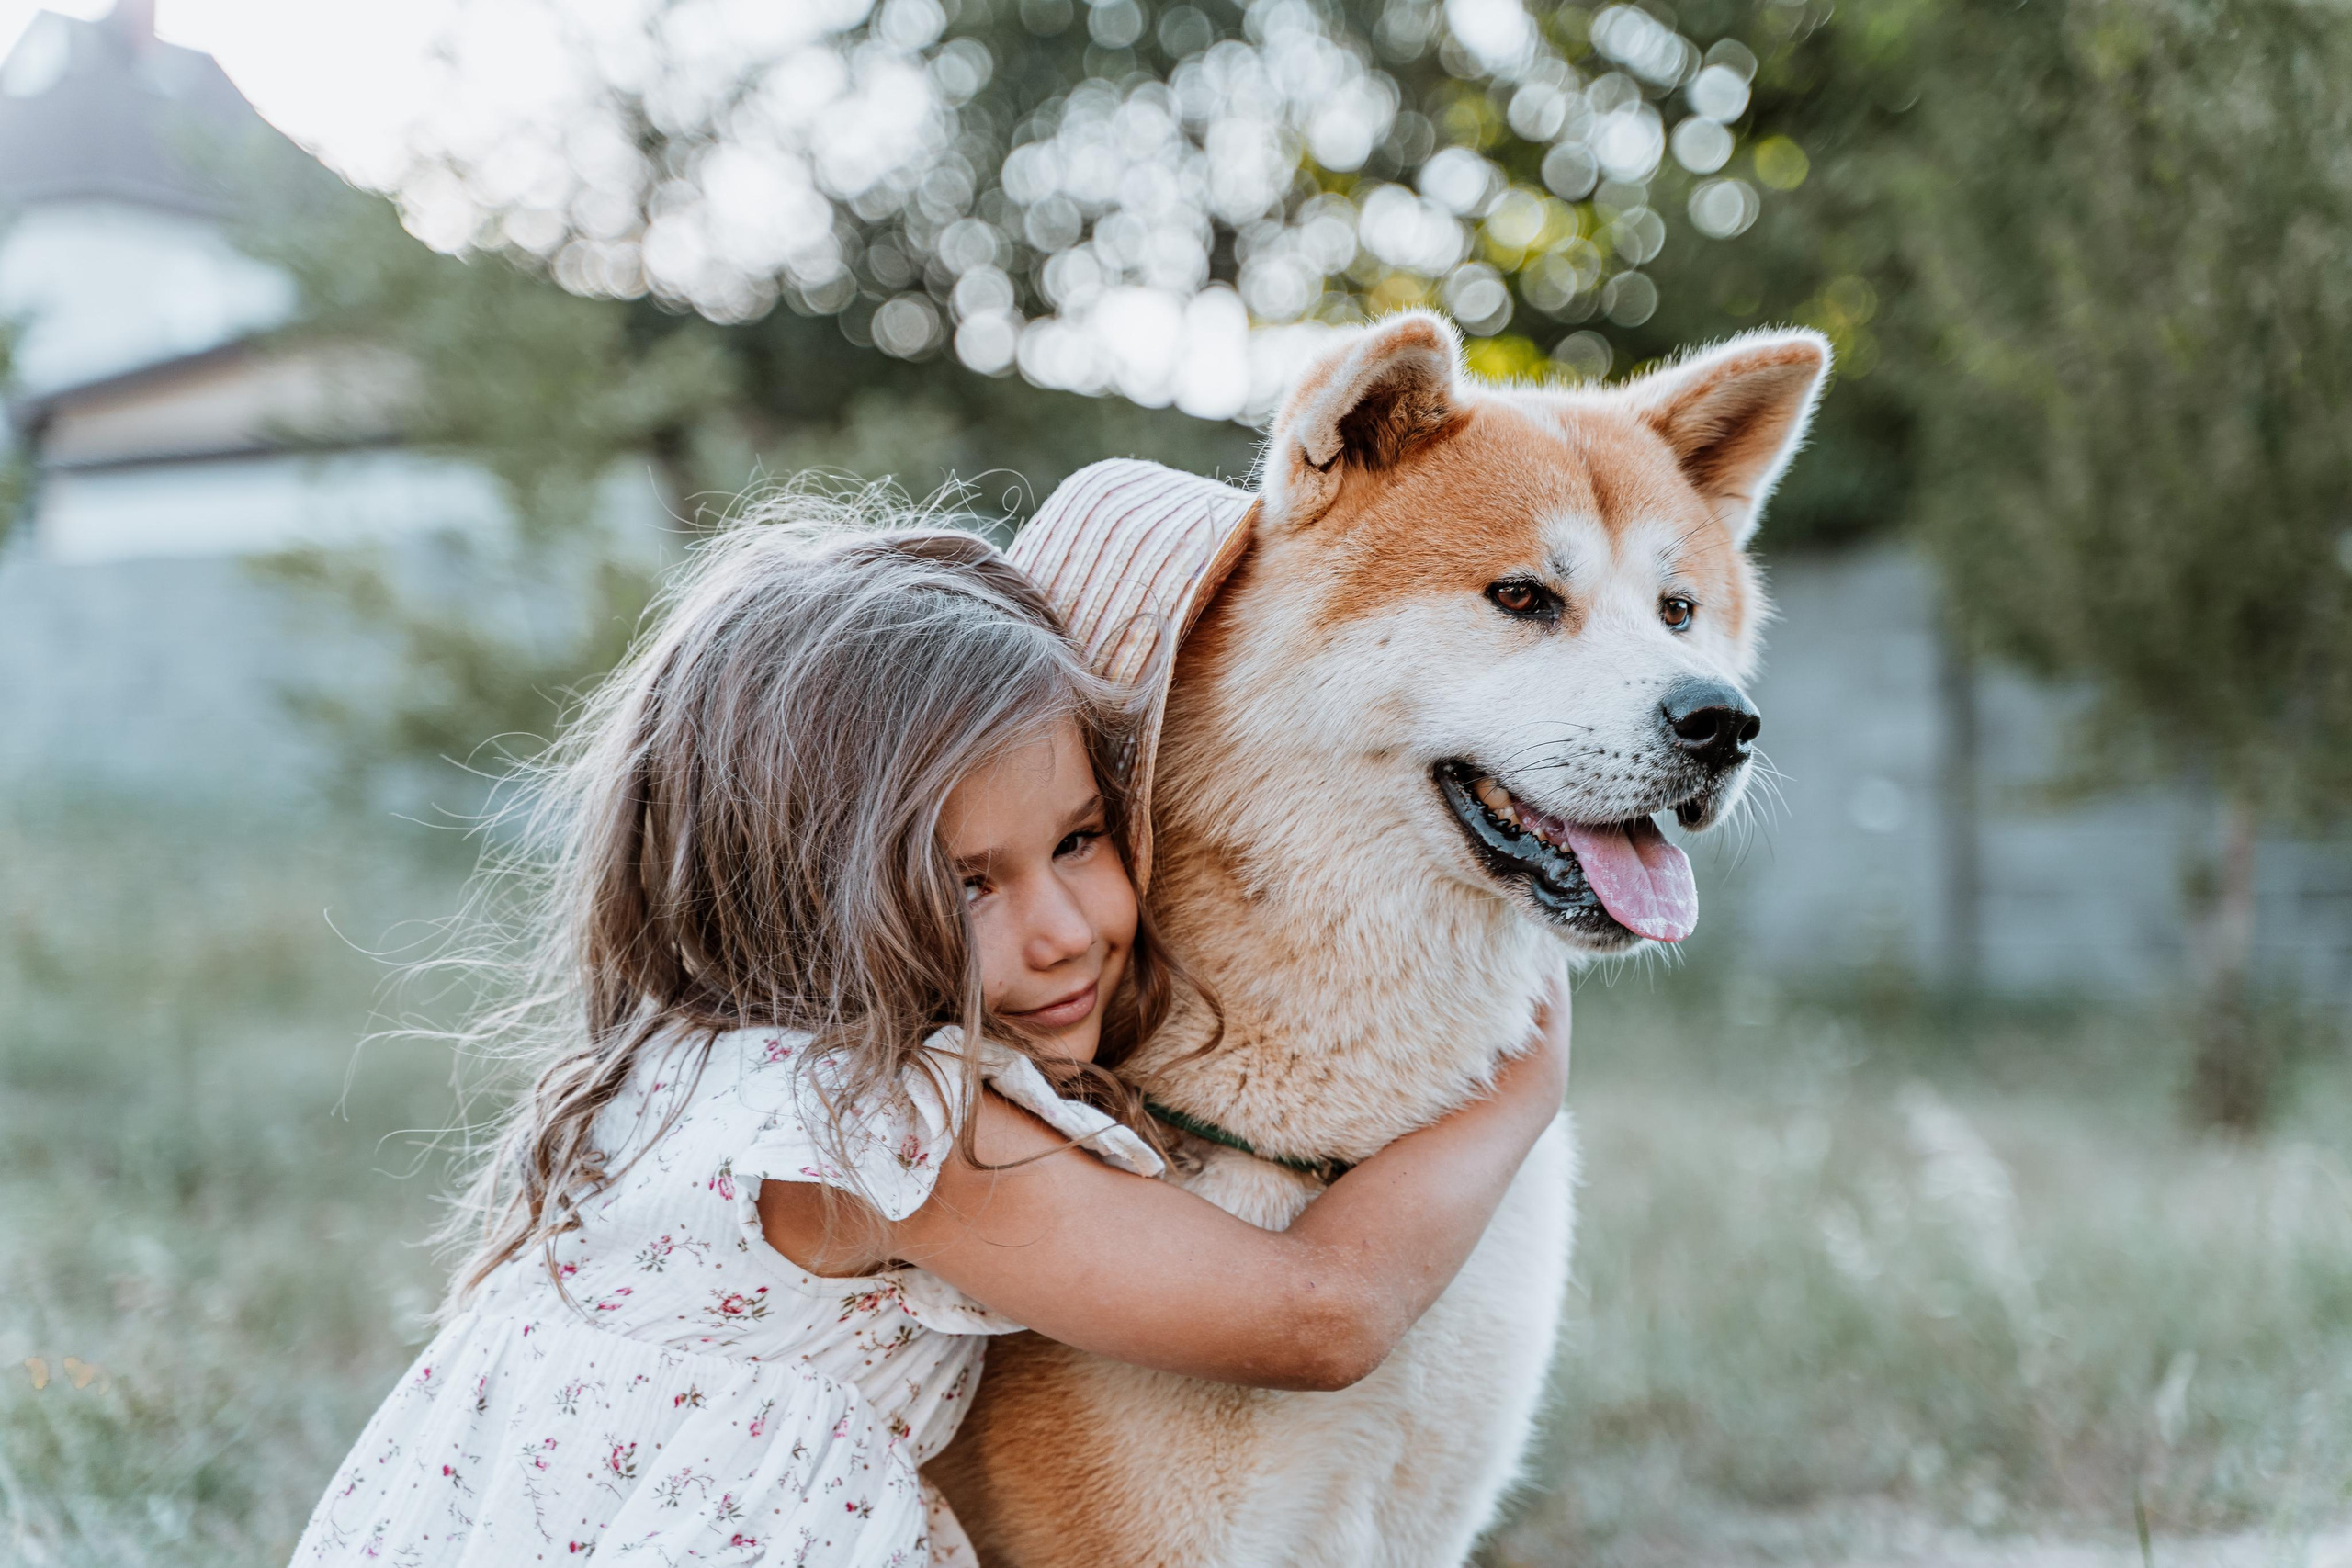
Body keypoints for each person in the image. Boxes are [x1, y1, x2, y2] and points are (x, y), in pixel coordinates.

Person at [290, 509, 1571, 1566]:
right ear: (793, 893)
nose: (1063, 929)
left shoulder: (687, 1063)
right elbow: (1319, 1320)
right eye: (969, 883)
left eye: (1079, 838)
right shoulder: (887, 1132)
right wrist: (1517, 1089)